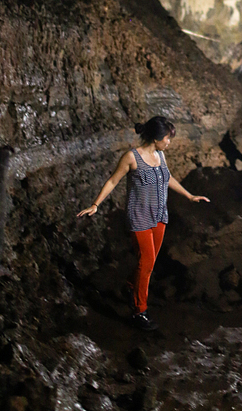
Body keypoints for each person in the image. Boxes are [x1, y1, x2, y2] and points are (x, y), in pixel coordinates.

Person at [77, 116, 209, 331]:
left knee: (149, 262)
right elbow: (113, 180)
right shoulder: (131, 157)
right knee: (146, 263)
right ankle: (139, 311)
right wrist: (95, 204)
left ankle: (132, 286)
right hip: (139, 216)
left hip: (159, 215)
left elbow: (168, 178)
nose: (169, 142)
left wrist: (189, 195)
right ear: (156, 138)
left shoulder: (161, 155)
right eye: (167, 139)